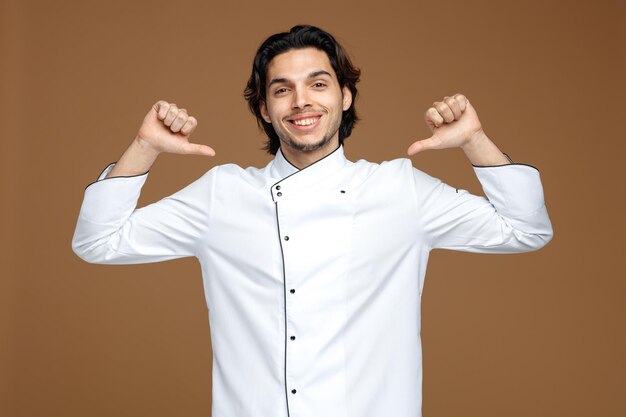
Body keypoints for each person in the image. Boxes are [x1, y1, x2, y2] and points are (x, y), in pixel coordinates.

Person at [72, 25, 552, 417]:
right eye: (282, 90)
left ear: (345, 97)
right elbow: (98, 241)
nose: (301, 102)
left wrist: (474, 141)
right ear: (265, 109)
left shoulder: (398, 190)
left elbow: (526, 229)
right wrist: (145, 147)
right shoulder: (224, 194)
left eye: (318, 84)